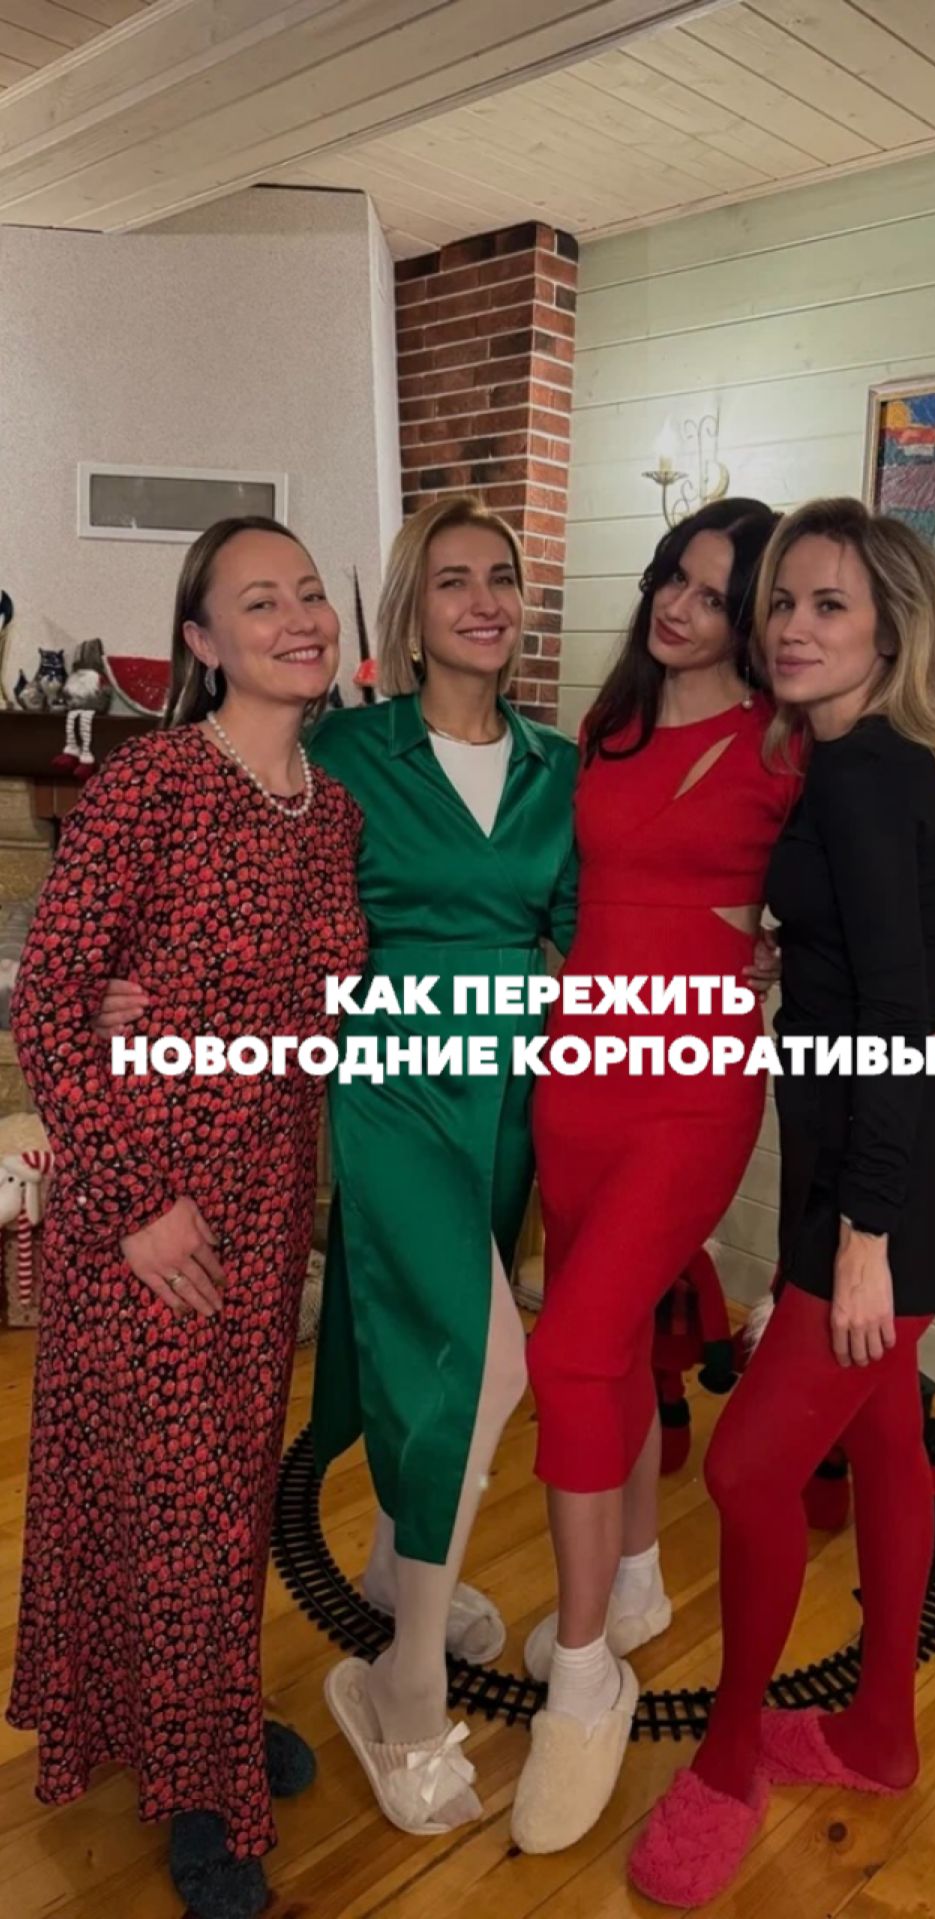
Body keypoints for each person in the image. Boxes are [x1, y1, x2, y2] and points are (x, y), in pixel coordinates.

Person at [511, 498, 935, 1856]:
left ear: (890, 628)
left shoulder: (850, 769)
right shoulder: (851, 761)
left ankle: (722, 1770)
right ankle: (878, 1733)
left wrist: (861, 1235)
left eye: (821, 604)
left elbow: (897, 1004)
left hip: (875, 1186)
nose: (788, 627)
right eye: (781, 602)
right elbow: (890, 966)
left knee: (742, 1472)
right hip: (845, 1157)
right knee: (882, 1443)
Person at [9, 517, 367, 1919]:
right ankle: (202, 1793)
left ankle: (195, 1717)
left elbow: (314, 1009)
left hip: (268, 1198)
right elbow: (48, 1004)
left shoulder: (329, 812)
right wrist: (137, 1205)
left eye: (310, 595)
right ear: (203, 642)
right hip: (146, 1207)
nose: (299, 619)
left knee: (220, 1492)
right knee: (175, 1499)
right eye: (259, 602)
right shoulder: (152, 783)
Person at [305, 495, 579, 1837]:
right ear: (412, 610)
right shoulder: (345, 749)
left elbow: (588, 926)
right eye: (454, 579)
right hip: (395, 1076)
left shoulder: (558, 767)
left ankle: (388, 1559)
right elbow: (262, 891)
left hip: (510, 1089)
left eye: (502, 578)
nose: (483, 600)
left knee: (432, 1354)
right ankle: (401, 1681)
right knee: (486, 1359)